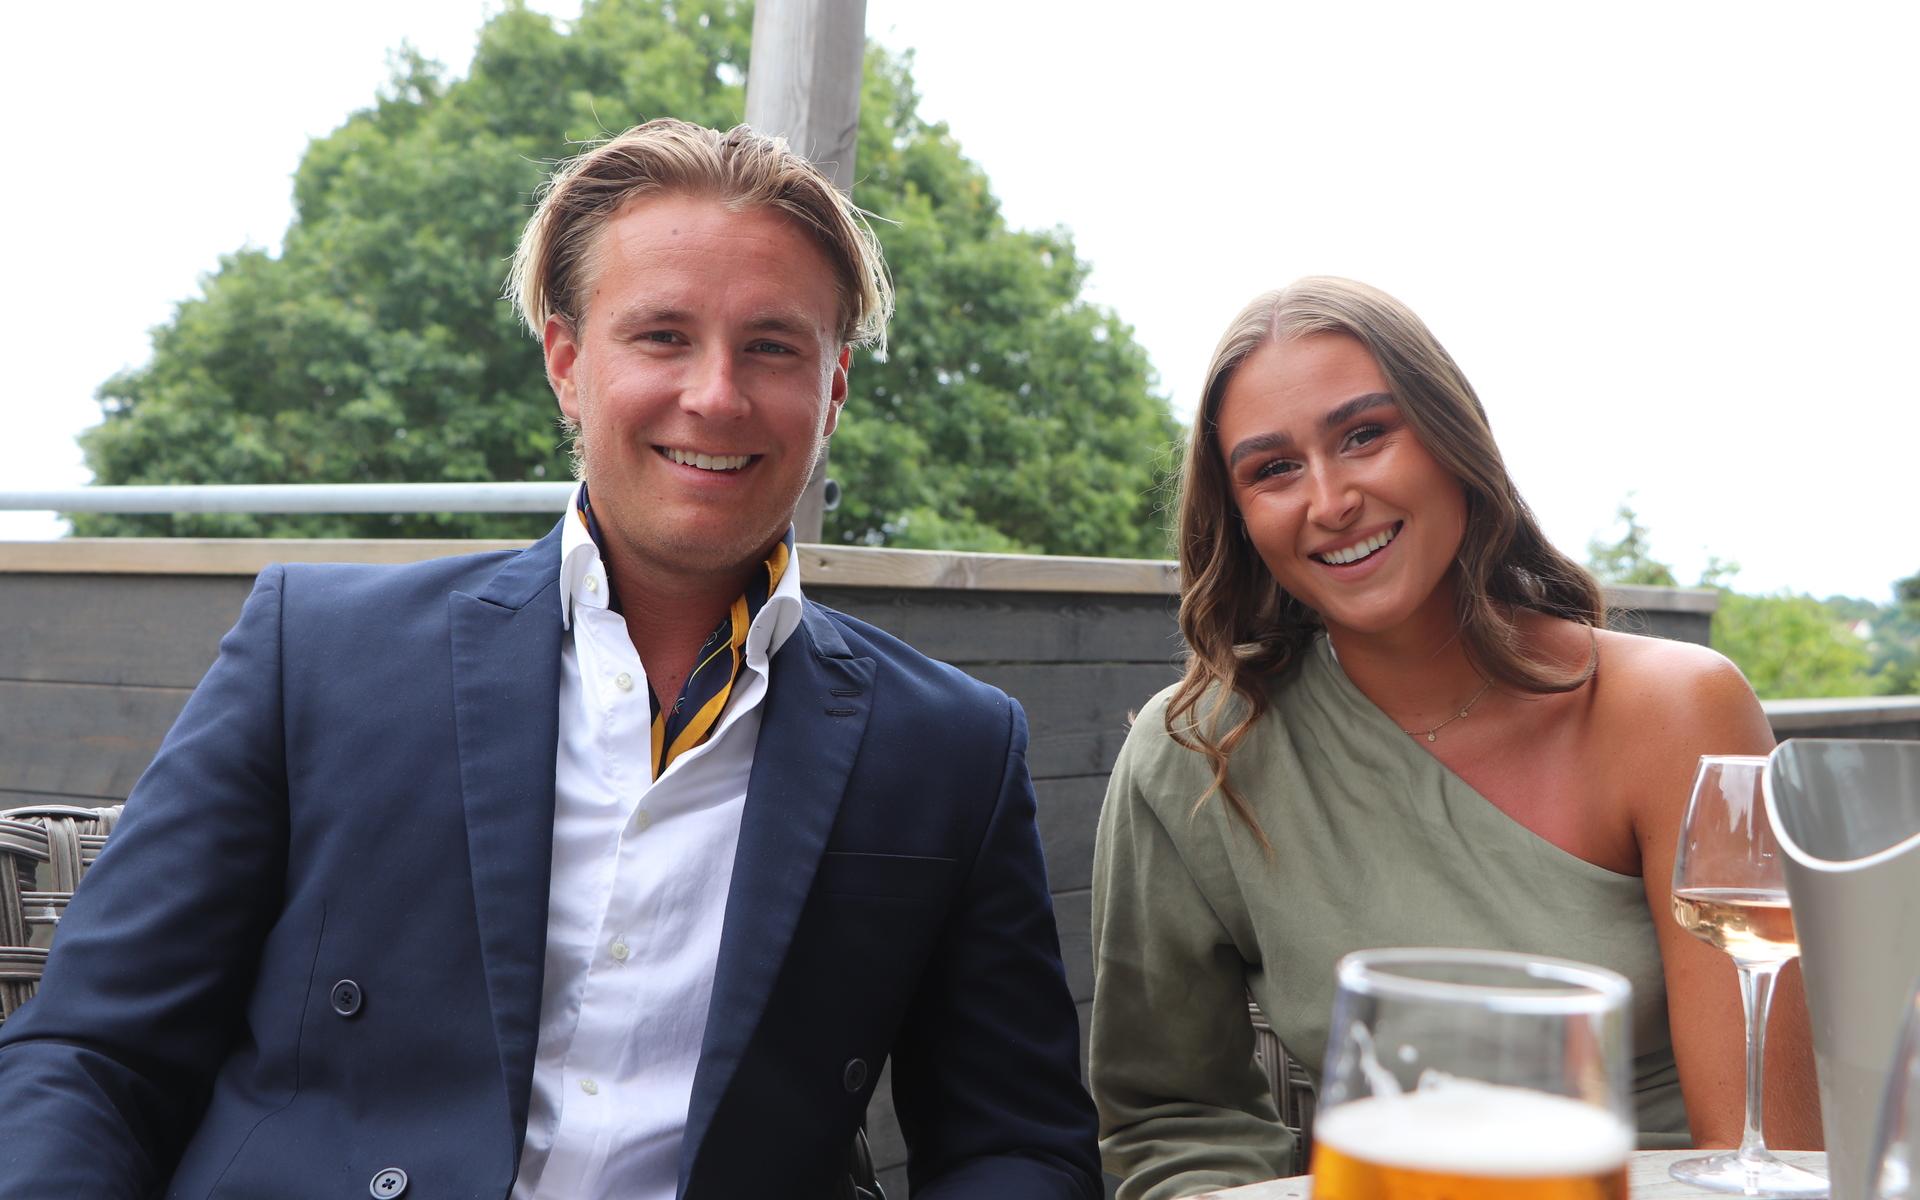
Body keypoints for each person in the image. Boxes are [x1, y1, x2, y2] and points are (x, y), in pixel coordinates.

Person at [0, 119, 1100, 1200]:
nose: (716, 394)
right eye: (662, 335)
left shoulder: (951, 747)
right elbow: (91, 1055)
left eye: (772, 346)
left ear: (833, 391)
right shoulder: (319, 650)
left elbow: (1019, 1145)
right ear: (568, 364)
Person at [1088, 277, 1821, 1198]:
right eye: (1272, 469)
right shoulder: (1193, 755)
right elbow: (1171, 1122)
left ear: (1450, 438)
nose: (1330, 498)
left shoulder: (1679, 712)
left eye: (1365, 434)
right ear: (1238, 516)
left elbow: (1770, 1148)